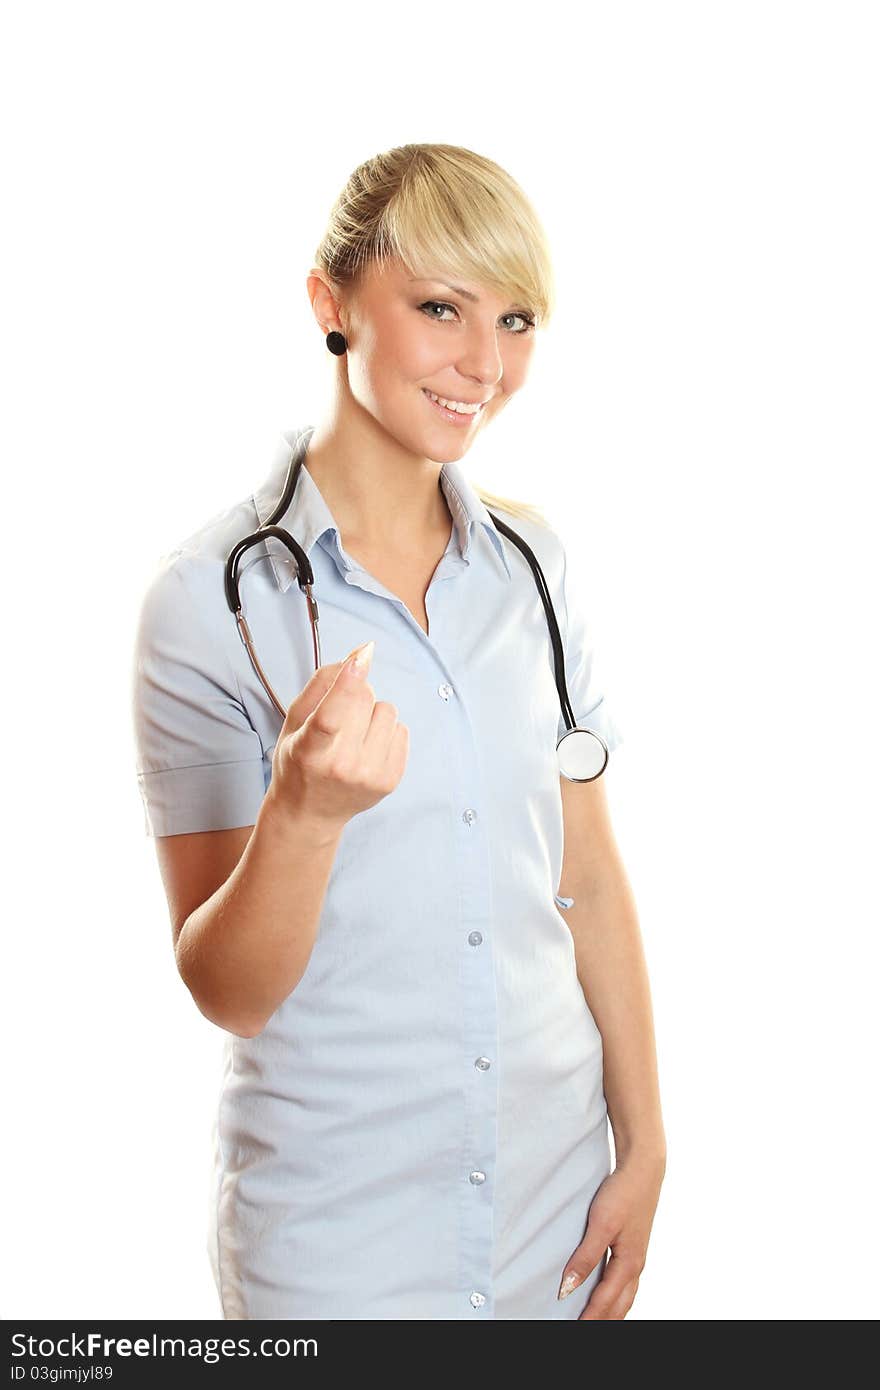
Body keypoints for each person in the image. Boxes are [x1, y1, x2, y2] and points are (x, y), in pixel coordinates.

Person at [130, 142, 666, 1321]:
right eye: (440, 309)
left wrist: (644, 1144)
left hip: (551, 1206)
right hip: (339, 1233)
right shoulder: (213, 599)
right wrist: (304, 816)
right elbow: (227, 989)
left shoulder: (534, 568)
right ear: (332, 305)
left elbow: (584, 874)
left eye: (516, 320)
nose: (486, 364)